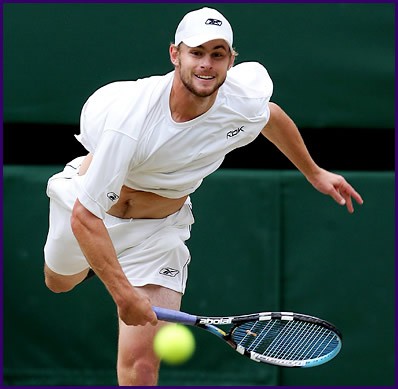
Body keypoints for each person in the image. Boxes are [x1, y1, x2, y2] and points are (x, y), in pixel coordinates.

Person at [43, 6, 363, 386]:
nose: (207, 65)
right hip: (89, 211)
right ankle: (97, 265)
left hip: (157, 233)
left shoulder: (240, 100)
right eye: (197, 52)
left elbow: (271, 116)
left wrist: (314, 172)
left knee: (142, 367)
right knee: (58, 282)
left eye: (218, 54)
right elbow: (85, 217)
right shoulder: (131, 119)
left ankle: (113, 266)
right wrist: (123, 293)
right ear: (175, 54)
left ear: (231, 60)